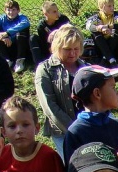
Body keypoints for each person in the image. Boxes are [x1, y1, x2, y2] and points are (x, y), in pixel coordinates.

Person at [35, 24, 87, 154]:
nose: (72, 53)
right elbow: (49, 106)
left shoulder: (86, 67)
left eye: (76, 49)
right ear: (57, 47)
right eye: (67, 49)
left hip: (88, 128)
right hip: (63, 132)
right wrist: (74, 129)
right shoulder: (45, 69)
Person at [0, 0, 31, 73]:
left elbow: (25, 23)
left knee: (21, 34)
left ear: (18, 10)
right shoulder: (2, 19)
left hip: (20, 46)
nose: (11, 12)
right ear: (5, 10)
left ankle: (20, 61)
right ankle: (7, 60)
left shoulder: (22, 18)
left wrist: (7, 33)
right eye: (8, 10)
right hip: (7, 45)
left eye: (13, 10)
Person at [85, 0, 118, 68]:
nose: (112, 8)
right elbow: (88, 26)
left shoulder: (117, 16)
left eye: (113, 5)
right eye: (109, 6)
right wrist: (100, 28)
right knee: (95, 32)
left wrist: (108, 27)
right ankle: (111, 60)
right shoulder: (96, 17)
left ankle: (106, 59)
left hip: (117, 49)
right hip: (102, 48)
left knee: (117, 31)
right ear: (102, 7)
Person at [30, 1, 70, 66]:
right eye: (54, 12)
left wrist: (56, 32)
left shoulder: (63, 19)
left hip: (63, 46)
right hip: (49, 50)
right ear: (46, 14)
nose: (57, 13)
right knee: (33, 38)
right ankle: (39, 64)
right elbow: (46, 45)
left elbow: (71, 31)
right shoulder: (42, 26)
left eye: (57, 10)